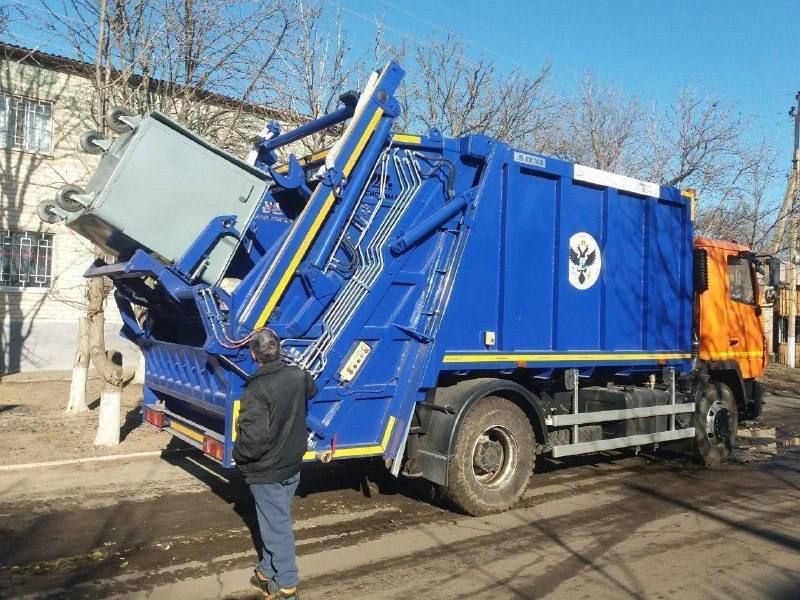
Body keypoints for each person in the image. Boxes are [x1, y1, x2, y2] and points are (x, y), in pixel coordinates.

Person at [233, 328, 316, 600]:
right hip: (291, 464)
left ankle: (287, 585)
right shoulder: (297, 375)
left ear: (254, 355)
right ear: (278, 350)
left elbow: (254, 439)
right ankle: (267, 572)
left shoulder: (257, 388)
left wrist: (239, 454)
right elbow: (312, 389)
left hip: (267, 469)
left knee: (276, 526)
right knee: (274, 520)